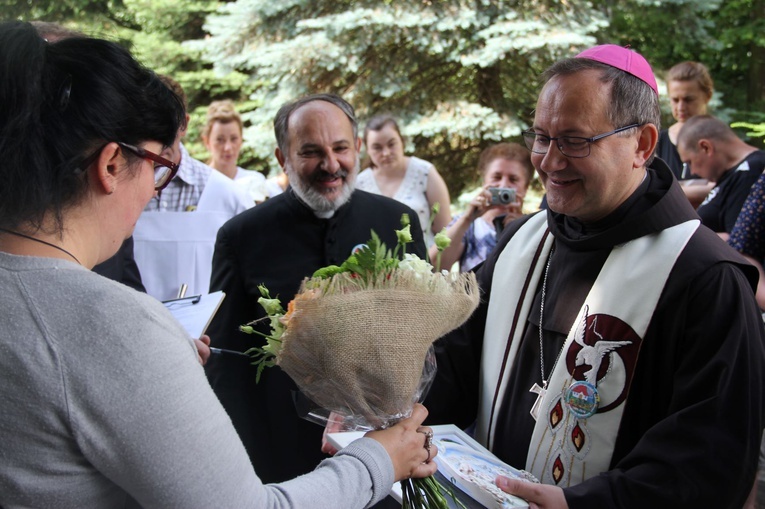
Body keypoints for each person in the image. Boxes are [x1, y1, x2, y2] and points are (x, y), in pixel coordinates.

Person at [0, 21, 438, 508]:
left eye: (340, 149)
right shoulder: (119, 324)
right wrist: (379, 458)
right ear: (109, 167)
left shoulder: (395, 220)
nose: (153, 192)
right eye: (159, 169)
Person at [424, 44, 765, 508]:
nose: (546, 160)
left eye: (574, 140)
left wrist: (580, 504)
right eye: (541, 137)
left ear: (642, 145)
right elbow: (456, 362)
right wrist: (387, 410)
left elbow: (711, 456)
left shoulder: (705, 276)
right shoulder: (521, 239)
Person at [205, 93, 429, 485]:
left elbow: (426, 338)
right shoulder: (240, 236)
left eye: (341, 148)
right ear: (282, 158)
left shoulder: (398, 222)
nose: (331, 165)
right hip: (279, 456)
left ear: (357, 147)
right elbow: (228, 364)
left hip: (382, 452)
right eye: (311, 152)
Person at [132, 77, 251, 301]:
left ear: (184, 125)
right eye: (150, 127)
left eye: (168, 126)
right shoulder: (118, 192)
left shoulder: (228, 196)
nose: (161, 138)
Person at [430, 142, 534, 272]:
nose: (503, 186)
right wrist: (467, 219)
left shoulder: (534, 228)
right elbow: (434, 266)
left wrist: (519, 228)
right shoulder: (469, 225)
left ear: (525, 188)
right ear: (484, 181)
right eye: (497, 177)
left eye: (513, 180)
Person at [357, 114, 451, 248]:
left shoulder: (425, 173)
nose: (386, 153)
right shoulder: (359, 184)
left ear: (402, 141)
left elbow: (445, 230)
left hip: (424, 263)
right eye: (377, 147)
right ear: (367, 149)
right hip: (377, 267)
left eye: (391, 144)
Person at [676, 114, 765, 235]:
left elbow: (737, 241)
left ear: (706, 147)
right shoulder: (734, 174)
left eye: (690, 162)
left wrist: (680, 239)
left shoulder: (750, 172)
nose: (692, 172)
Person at [656, 61, 716, 208]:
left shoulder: (719, 139)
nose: (681, 107)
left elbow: (725, 189)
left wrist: (670, 192)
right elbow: (651, 190)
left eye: (688, 100)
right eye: (675, 100)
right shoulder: (659, 141)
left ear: (707, 96)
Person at [202, 99, 273, 204]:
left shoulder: (254, 182)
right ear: (207, 141)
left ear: (241, 139)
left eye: (234, 139)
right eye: (220, 140)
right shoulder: (200, 182)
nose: (228, 148)